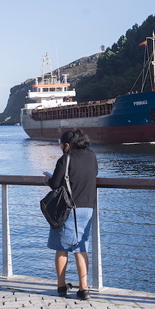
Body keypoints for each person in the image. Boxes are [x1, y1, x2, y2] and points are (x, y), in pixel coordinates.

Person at [44, 129, 98, 300]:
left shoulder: (65, 159)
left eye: (61, 144)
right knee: (81, 248)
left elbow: (55, 184)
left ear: (67, 145)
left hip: (67, 208)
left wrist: (47, 179)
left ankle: (61, 286)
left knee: (62, 248)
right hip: (87, 207)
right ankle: (84, 289)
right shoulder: (92, 157)